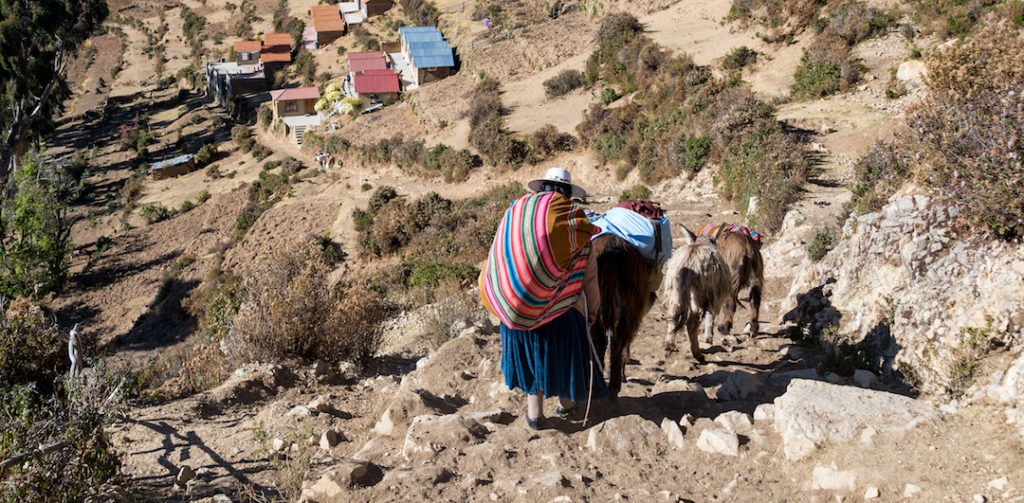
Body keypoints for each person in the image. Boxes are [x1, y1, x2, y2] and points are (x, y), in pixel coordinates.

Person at [479, 167, 608, 430]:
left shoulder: (517, 213)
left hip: (513, 306)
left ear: (541, 189)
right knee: (566, 347)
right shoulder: (576, 226)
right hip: (559, 314)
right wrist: (593, 311)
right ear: (568, 195)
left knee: (531, 355)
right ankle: (566, 404)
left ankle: (535, 414)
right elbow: (589, 279)